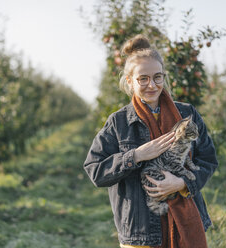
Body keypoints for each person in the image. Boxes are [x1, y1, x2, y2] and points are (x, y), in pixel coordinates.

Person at [83, 34, 218, 248]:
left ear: (164, 76)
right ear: (130, 81)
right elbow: (95, 170)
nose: (152, 85)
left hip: (188, 224)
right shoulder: (118, 123)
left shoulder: (187, 114)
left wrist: (182, 183)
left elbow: (208, 160)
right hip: (140, 234)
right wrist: (135, 155)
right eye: (143, 78)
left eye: (157, 77)